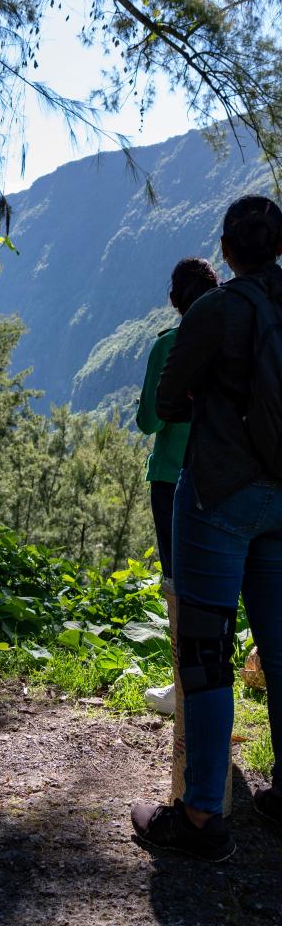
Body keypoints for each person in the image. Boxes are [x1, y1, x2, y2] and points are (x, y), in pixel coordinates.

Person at [131, 195, 282, 862]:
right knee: (278, 645)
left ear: (227, 249)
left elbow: (166, 403)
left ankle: (199, 816)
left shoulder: (212, 311)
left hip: (218, 494)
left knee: (204, 651)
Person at [137, 258, 219, 714]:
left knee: (177, 585)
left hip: (172, 478)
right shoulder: (232, 341)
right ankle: (217, 679)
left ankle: (182, 689)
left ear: (175, 301)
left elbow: (149, 419)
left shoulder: (168, 344)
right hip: (229, 476)